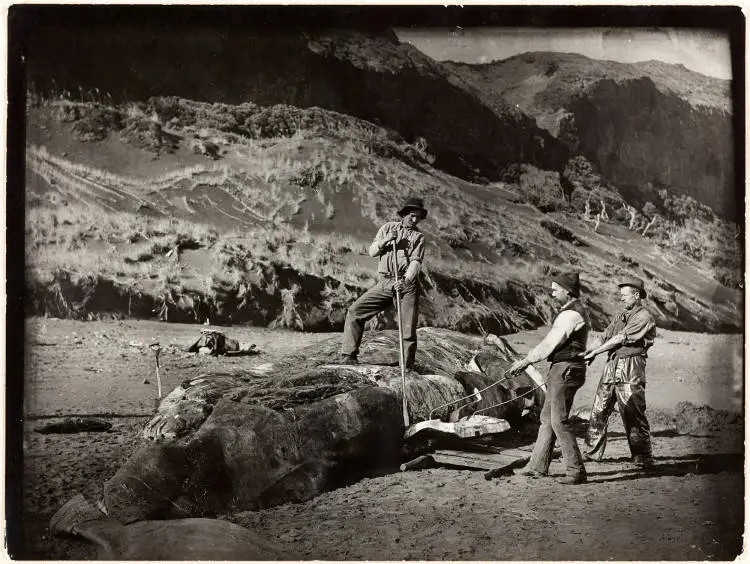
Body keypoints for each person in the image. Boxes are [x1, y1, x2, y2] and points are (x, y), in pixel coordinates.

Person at [508, 272, 591, 485]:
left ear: (568, 291)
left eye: (556, 289)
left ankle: (576, 471)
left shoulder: (571, 314)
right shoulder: (571, 311)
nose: (552, 293)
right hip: (563, 369)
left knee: (558, 421)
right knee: (547, 419)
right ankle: (536, 466)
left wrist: (525, 361)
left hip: (566, 370)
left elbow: (549, 344)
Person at [339, 197, 427, 368]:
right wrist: (386, 240)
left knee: (407, 329)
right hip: (385, 281)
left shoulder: (419, 237)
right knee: (355, 311)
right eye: (412, 216)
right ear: (403, 214)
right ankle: (348, 355)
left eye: (418, 217)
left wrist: (405, 280)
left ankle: (406, 367)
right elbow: (372, 252)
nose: (415, 220)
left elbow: (416, 262)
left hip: (406, 285)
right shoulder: (387, 228)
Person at [582, 276, 657, 468]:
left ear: (637, 295)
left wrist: (596, 353)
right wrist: (588, 351)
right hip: (612, 364)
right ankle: (592, 453)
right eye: (620, 295)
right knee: (599, 408)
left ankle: (642, 456)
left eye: (625, 295)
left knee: (632, 410)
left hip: (631, 366)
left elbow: (620, 338)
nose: (621, 299)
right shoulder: (620, 315)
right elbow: (605, 336)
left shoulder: (644, 316)